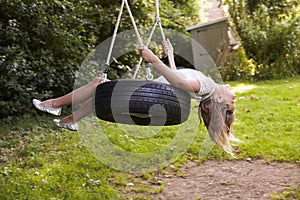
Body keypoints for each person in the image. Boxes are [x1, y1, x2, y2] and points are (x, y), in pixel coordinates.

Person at [33, 40, 238, 156]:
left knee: (99, 85)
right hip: (153, 93)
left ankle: (54, 105)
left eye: (232, 102)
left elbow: (179, 84)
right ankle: (72, 119)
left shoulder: (208, 86)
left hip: (150, 94)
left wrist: (154, 59)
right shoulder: (204, 89)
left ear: (219, 101)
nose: (234, 96)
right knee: (102, 92)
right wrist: (170, 55)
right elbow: (179, 77)